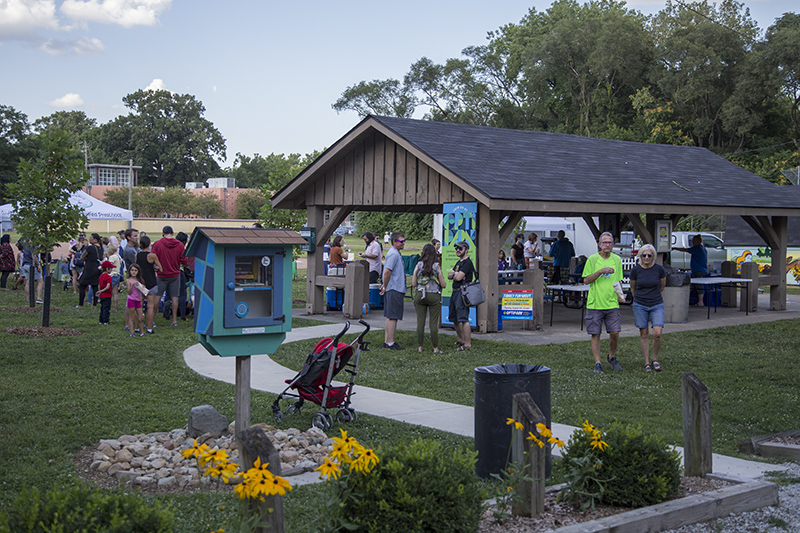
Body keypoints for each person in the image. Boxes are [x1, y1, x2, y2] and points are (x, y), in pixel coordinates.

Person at [583, 232, 626, 373]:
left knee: (615, 332)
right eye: (604, 242)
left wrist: (621, 295)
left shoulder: (617, 259)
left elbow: (618, 280)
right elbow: (586, 280)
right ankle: (597, 363)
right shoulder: (592, 259)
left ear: (613, 244)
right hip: (595, 303)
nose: (607, 245)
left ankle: (611, 356)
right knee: (595, 334)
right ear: (599, 244)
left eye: (610, 242)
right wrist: (600, 271)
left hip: (612, 303)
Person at [630, 244, 667, 372]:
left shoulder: (659, 269)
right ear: (640, 256)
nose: (646, 257)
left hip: (656, 303)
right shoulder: (635, 270)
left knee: (657, 332)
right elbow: (633, 288)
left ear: (653, 256)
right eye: (644, 255)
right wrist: (639, 299)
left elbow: (662, 287)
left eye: (649, 255)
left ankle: (655, 358)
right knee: (644, 333)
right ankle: (646, 362)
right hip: (640, 304)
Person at [412, 243, 447, 354]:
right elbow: (443, 284)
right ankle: (435, 347)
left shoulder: (418, 265)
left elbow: (413, 283)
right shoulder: (436, 266)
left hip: (420, 294)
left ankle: (420, 347)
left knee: (420, 322)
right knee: (433, 323)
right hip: (434, 295)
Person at [152, 225, 186, 327]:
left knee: (158, 296)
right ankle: (174, 320)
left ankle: (152, 319)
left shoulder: (157, 244)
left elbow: (152, 257)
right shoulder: (180, 245)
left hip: (161, 275)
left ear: (163, 233)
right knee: (175, 297)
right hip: (175, 274)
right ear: (172, 233)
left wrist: (156, 266)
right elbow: (184, 260)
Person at [380, 231, 407, 350]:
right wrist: (385, 286)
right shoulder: (393, 254)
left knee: (390, 316)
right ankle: (390, 342)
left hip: (393, 288)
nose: (403, 243)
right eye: (401, 241)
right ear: (394, 242)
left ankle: (387, 341)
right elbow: (387, 272)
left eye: (404, 241)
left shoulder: (394, 253)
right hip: (394, 288)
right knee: (393, 316)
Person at [448, 240, 475, 351]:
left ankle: (467, 343)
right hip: (455, 291)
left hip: (462, 292)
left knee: (464, 318)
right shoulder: (459, 263)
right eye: (456, 248)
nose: (457, 250)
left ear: (466, 250)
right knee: (454, 318)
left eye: (460, 248)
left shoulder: (467, 263)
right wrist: (455, 274)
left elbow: (457, 277)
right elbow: (450, 276)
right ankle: (461, 340)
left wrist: (455, 274)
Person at [136, 235, 162, 334]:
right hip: (151, 283)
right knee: (150, 306)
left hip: (140, 283)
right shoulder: (152, 256)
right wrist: (155, 268)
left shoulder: (137, 255)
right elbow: (161, 268)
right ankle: (150, 328)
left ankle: (138, 327)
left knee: (139, 305)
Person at [673, 234, 708, 306]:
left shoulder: (697, 248)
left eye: (693, 241)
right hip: (701, 269)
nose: (692, 243)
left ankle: (701, 302)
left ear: (697, 241)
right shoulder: (703, 248)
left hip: (698, 270)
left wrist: (675, 248)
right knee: (694, 286)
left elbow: (686, 250)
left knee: (699, 286)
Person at [77, 233, 103, 308]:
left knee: (82, 285)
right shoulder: (101, 249)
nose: (89, 239)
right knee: (95, 286)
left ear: (95, 239)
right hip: (97, 268)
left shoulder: (90, 248)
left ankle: (81, 304)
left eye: (91, 238)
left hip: (89, 268)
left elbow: (82, 257)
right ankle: (94, 304)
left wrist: (86, 259)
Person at [125, 263, 148, 337]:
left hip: (138, 300)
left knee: (140, 317)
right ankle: (131, 333)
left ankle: (142, 332)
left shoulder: (139, 280)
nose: (133, 272)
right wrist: (132, 285)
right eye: (132, 270)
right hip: (131, 300)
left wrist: (142, 287)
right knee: (132, 317)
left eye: (135, 270)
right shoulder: (128, 280)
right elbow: (129, 292)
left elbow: (142, 291)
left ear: (138, 271)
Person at [19, 239, 44, 304]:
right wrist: (38, 264)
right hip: (32, 265)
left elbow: (18, 243)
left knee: (27, 282)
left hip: (25, 265)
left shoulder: (25, 244)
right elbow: (34, 256)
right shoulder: (33, 246)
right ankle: (39, 298)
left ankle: (28, 299)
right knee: (40, 281)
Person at [106, 244, 123, 311]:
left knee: (108, 292)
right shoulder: (118, 256)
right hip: (117, 274)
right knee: (115, 293)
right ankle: (115, 308)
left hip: (112, 275)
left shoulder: (112, 257)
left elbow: (109, 265)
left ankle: (107, 306)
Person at [97, 260, 115, 325]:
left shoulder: (101, 276)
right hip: (107, 295)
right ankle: (106, 321)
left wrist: (100, 291)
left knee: (102, 308)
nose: (111, 270)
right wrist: (101, 291)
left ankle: (101, 320)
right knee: (106, 309)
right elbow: (108, 287)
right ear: (107, 269)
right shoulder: (108, 277)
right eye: (111, 268)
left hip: (102, 295)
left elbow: (99, 285)